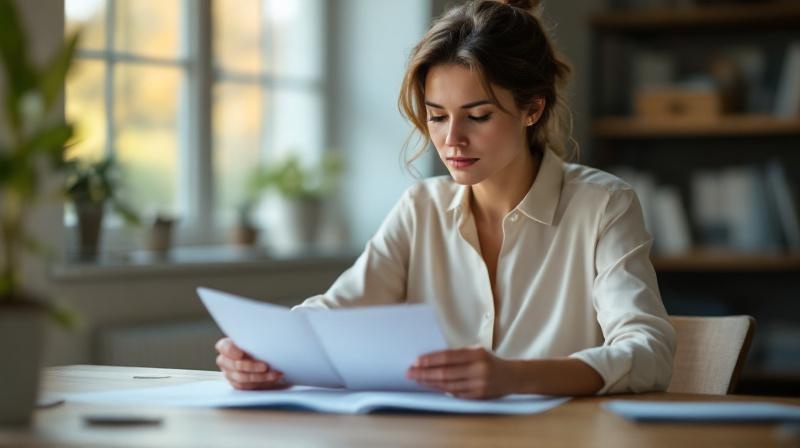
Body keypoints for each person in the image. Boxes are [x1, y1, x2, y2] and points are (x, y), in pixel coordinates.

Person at [215, 0, 676, 399]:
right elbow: (335, 315)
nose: (452, 139)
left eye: (477, 116)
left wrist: (513, 376)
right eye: (437, 117)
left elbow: (648, 351)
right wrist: (263, 353)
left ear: (532, 109)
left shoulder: (604, 205)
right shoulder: (421, 208)